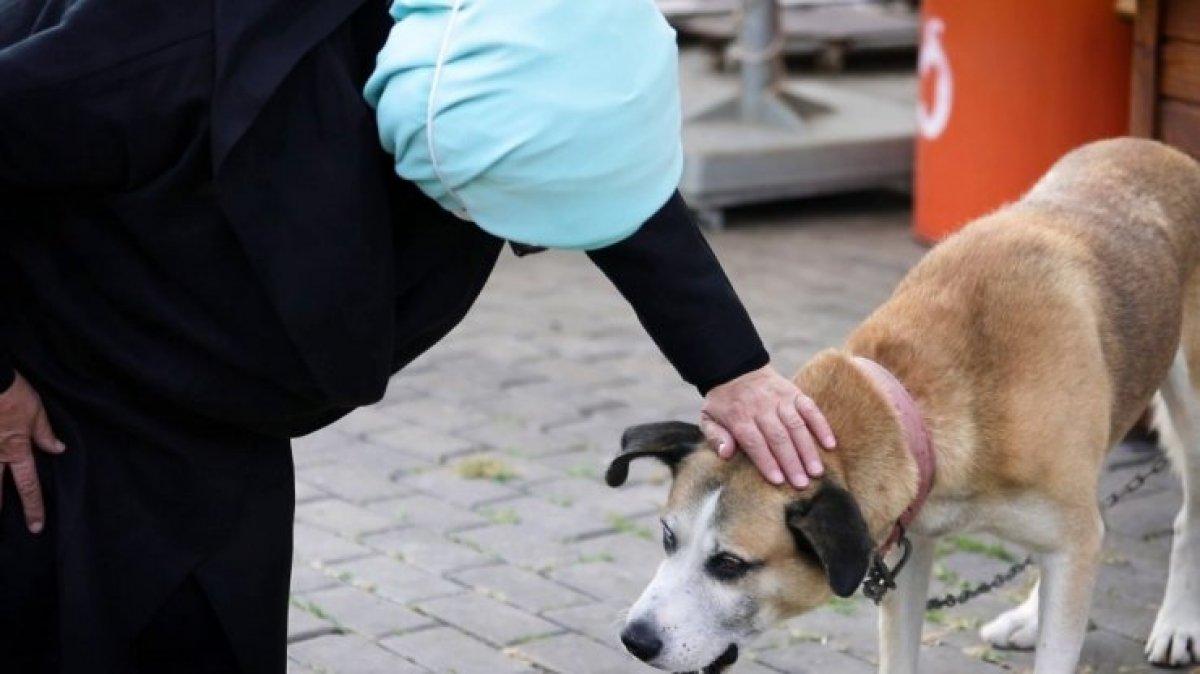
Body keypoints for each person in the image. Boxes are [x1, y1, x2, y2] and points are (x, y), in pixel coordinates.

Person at [0, 1, 834, 673]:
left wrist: (733, 367)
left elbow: (592, 161)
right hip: (57, 392)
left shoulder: (509, 35)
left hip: (224, 416)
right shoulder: (164, 42)